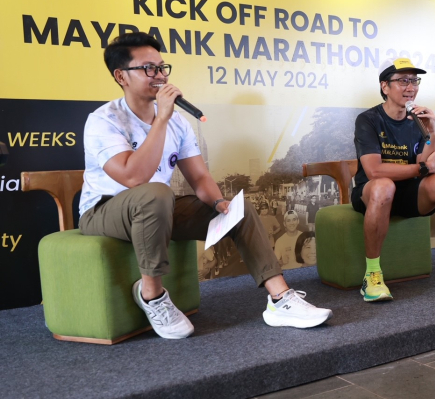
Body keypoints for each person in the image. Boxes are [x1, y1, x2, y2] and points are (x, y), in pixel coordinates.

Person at [78, 32, 332, 339]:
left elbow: (199, 178)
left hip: (156, 209)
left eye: (162, 67)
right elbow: (133, 178)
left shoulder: (177, 122)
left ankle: (280, 299)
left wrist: (218, 203)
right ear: (121, 76)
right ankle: (152, 296)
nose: (159, 76)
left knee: (239, 208)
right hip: (104, 210)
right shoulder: (104, 120)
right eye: (148, 69)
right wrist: (160, 121)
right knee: (154, 193)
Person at [351, 57, 435, 301]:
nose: (410, 87)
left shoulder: (417, 119)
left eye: (414, 81)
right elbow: (375, 171)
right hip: (373, 192)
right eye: (403, 80)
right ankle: (372, 276)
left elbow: (426, 164)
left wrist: (431, 132)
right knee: (383, 186)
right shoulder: (368, 119)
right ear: (385, 87)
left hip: (408, 193)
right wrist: (423, 168)